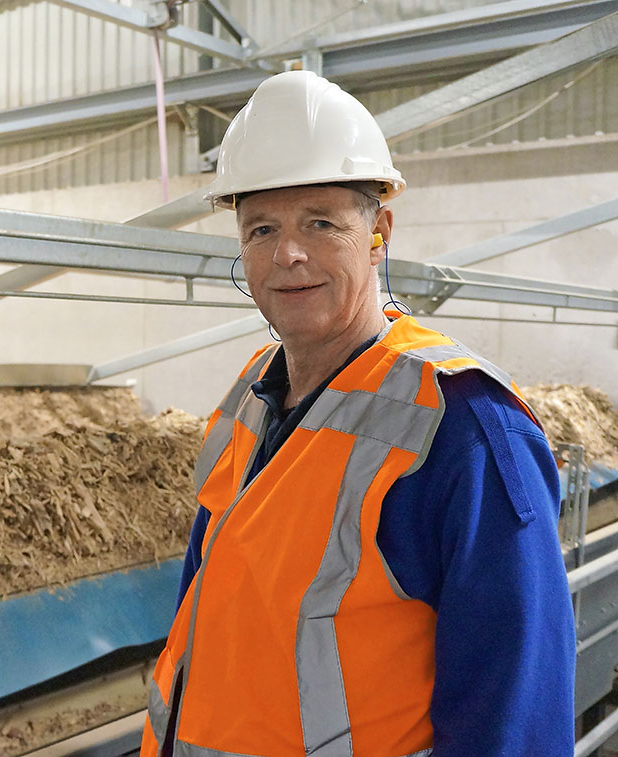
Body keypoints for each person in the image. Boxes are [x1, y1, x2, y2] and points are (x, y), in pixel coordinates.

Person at [140, 71, 575, 757]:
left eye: (321, 223)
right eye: (262, 228)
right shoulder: (250, 394)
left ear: (379, 232)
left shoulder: (462, 425)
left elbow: (514, 717)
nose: (288, 253)